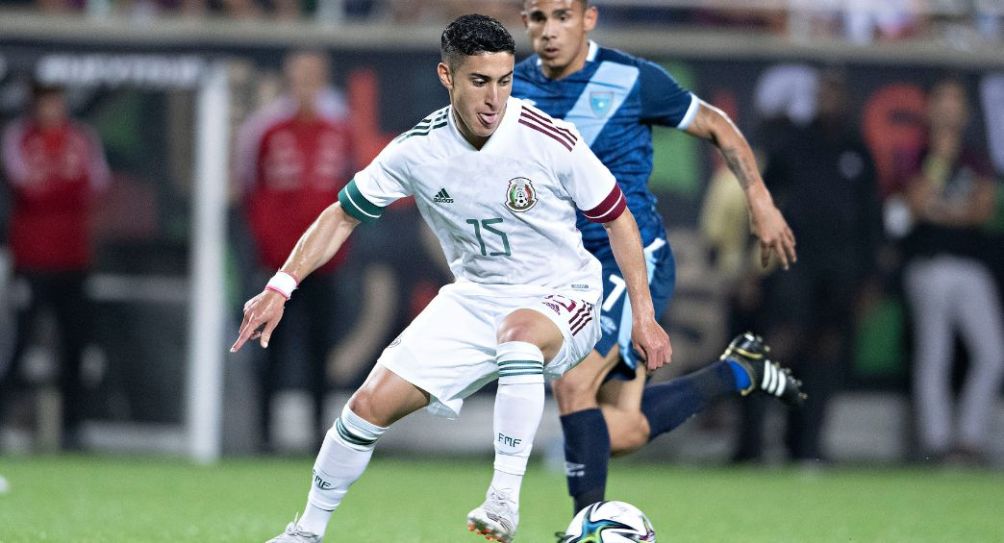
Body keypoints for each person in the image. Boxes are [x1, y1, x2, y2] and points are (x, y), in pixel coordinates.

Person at [231, 14, 670, 543]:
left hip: (561, 295)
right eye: (479, 81)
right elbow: (342, 214)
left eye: (505, 81)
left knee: (521, 334)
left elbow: (618, 218)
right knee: (366, 407)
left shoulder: (547, 138)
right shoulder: (416, 150)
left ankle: (504, 500)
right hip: (473, 300)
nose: (494, 98)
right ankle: (306, 532)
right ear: (448, 76)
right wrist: (281, 285)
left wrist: (643, 315)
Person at [512, 0, 803, 515]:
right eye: (538, 18)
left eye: (562, 16)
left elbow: (716, 125)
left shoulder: (631, 78)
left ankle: (587, 525)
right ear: (525, 22)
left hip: (628, 259)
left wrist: (760, 199)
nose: (550, 30)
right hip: (562, 270)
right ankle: (735, 372)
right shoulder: (513, 87)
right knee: (619, 432)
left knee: (572, 386)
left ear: (589, 18)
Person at [748, 68, 883, 464]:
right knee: (781, 345)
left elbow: (871, 219)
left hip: (842, 270)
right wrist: (756, 259)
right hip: (796, 263)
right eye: (822, 92)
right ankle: (753, 444)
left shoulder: (857, 150)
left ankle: (806, 447)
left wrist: (871, 277)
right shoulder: (795, 144)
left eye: (835, 93)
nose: (828, 100)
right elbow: (763, 200)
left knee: (824, 354)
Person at [233, 49, 355, 452]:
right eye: (298, 75)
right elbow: (247, 187)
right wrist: (267, 245)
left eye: (312, 75)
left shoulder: (339, 127)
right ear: (288, 78)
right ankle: (263, 437)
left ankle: (321, 435)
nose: (305, 83)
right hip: (275, 264)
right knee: (270, 350)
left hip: (324, 264)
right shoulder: (264, 129)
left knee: (321, 349)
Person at [0, 81, 111, 451]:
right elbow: (26, 187)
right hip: (31, 261)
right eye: (46, 101)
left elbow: (96, 184)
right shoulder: (18, 137)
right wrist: (63, 187)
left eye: (58, 100)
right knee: (18, 345)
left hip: (74, 258)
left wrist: (55, 187)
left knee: (76, 345)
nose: (53, 108)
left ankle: (73, 428)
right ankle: (5, 423)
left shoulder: (81, 138)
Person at [900, 77, 1004, 465]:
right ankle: (937, 442)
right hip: (929, 264)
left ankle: (969, 439)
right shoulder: (919, 152)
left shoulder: (976, 156)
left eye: (955, 100)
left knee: (993, 353)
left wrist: (942, 211)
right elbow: (914, 205)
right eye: (941, 99)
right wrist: (939, 161)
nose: (948, 108)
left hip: (971, 263)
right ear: (929, 109)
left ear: (966, 110)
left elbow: (982, 210)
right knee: (934, 354)